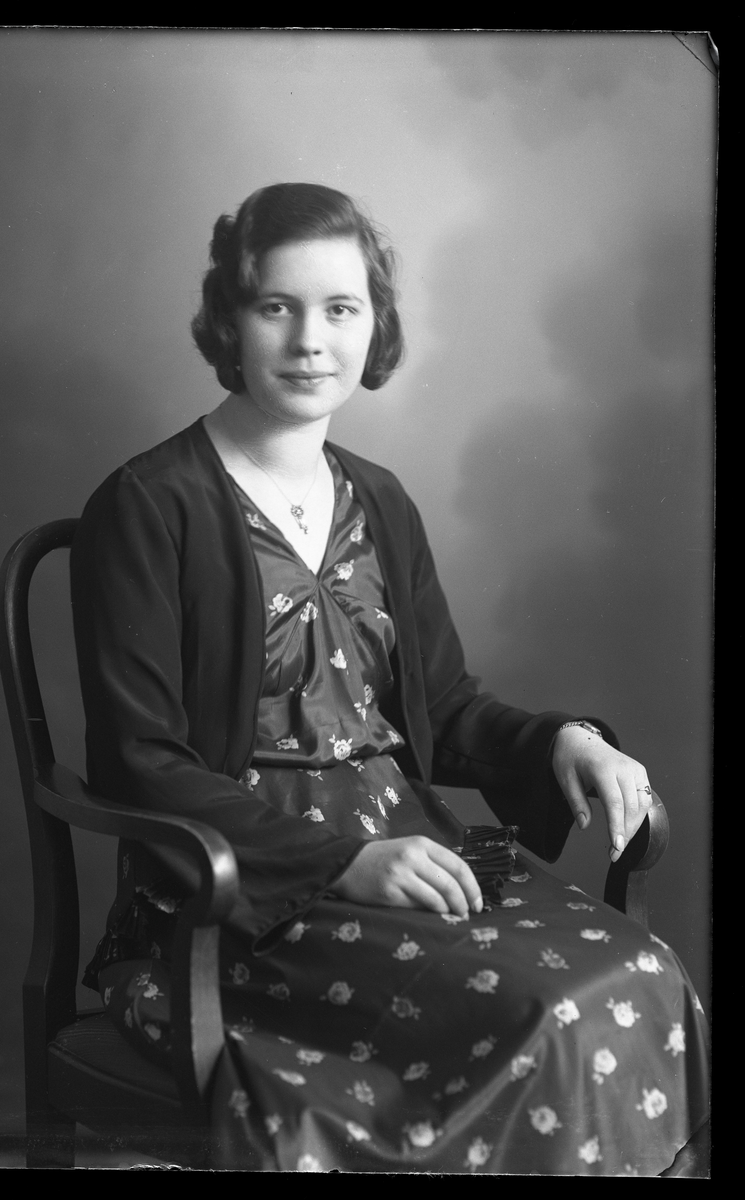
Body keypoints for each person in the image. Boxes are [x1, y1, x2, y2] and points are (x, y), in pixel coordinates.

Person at [71, 183, 709, 1174]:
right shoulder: (149, 505)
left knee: (643, 973)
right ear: (228, 321)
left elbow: (442, 708)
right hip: (238, 896)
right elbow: (138, 761)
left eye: (340, 308)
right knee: (542, 1010)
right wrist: (341, 865)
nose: (310, 341)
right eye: (276, 306)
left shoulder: (381, 499)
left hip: (414, 849)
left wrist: (563, 741)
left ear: (375, 326)